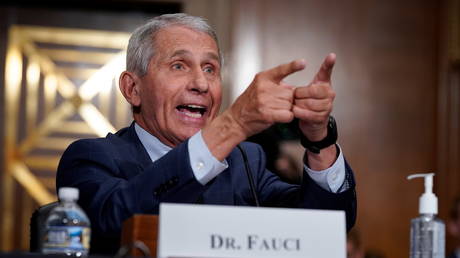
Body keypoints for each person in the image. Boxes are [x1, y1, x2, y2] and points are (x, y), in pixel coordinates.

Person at [56, 13, 357, 255]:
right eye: (179, 65)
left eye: (211, 69)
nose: (201, 83)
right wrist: (233, 125)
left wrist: (320, 139)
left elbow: (321, 225)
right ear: (132, 89)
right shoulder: (91, 158)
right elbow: (113, 222)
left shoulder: (245, 161)